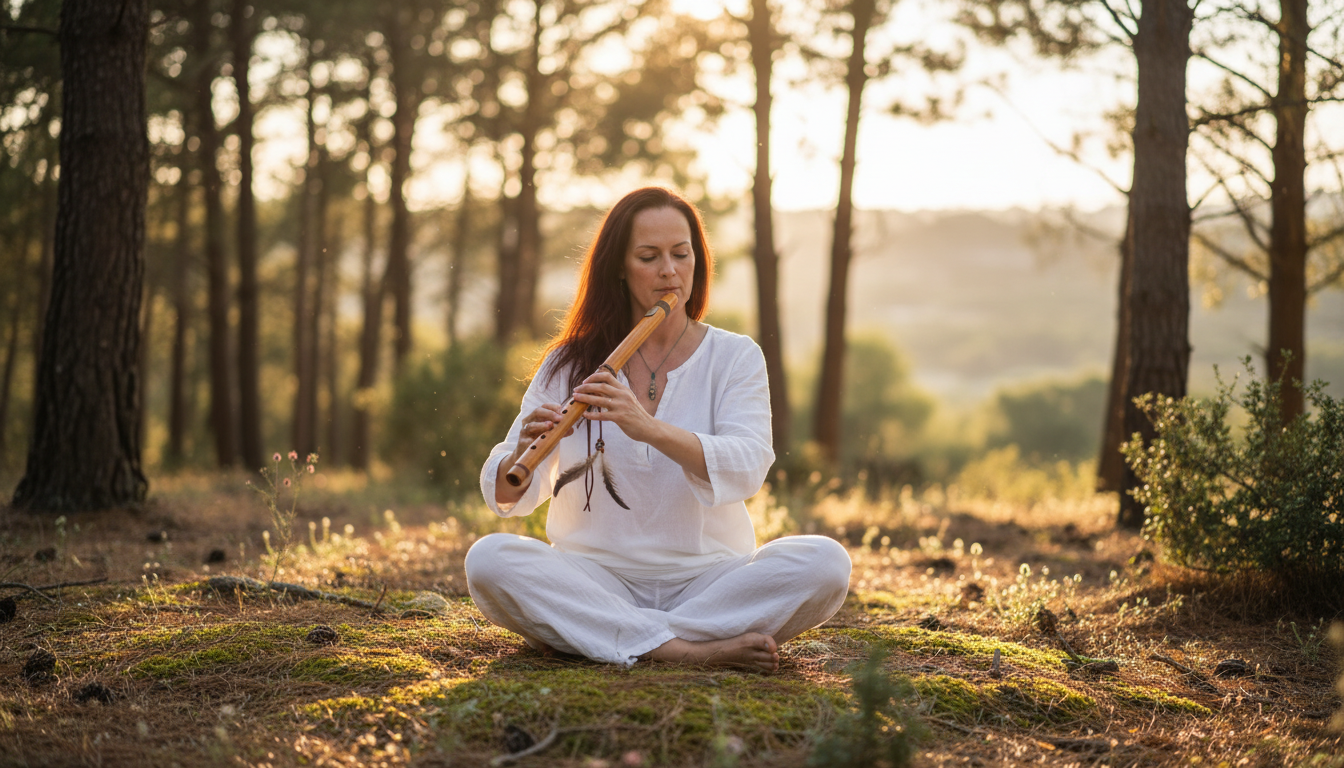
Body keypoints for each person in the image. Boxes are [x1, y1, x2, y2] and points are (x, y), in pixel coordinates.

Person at [466, 186, 851, 672]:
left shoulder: (735, 356)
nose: (669, 270)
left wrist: (647, 428)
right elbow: (508, 494)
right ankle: (688, 651)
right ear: (620, 269)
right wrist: (525, 450)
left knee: (826, 564)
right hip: (594, 575)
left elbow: (749, 463)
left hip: (711, 580)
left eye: (681, 253)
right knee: (488, 560)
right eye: (649, 257)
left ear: (698, 261)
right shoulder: (569, 363)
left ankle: (601, 634)